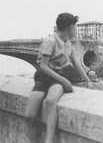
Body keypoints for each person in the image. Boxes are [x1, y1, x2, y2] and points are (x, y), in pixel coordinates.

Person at [24, 12, 93, 143]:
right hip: (44, 77)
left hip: (58, 76)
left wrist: (88, 80)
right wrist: (64, 81)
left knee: (50, 101)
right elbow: (43, 66)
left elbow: (76, 63)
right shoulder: (50, 42)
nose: (76, 30)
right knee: (29, 115)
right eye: (75, 27)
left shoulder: (68, 44)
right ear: (70, 27)